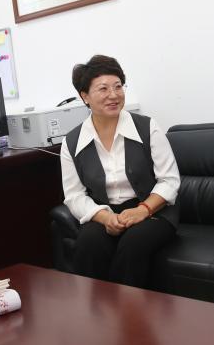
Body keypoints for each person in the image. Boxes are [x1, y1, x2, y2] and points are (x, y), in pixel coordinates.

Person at [60, 55, 180, 288]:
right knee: (88, 243)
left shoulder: (147, 127)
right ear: (85, 96)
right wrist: (105, 217)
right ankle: (93, 309)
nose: (114, 95)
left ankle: (126, 310)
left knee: (133, 243)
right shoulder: (72, 142)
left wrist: (142, 210)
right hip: (105, 212)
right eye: (103, 89)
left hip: (153, 211)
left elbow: (170, 181)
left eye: (118, 86)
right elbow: (74, 196)